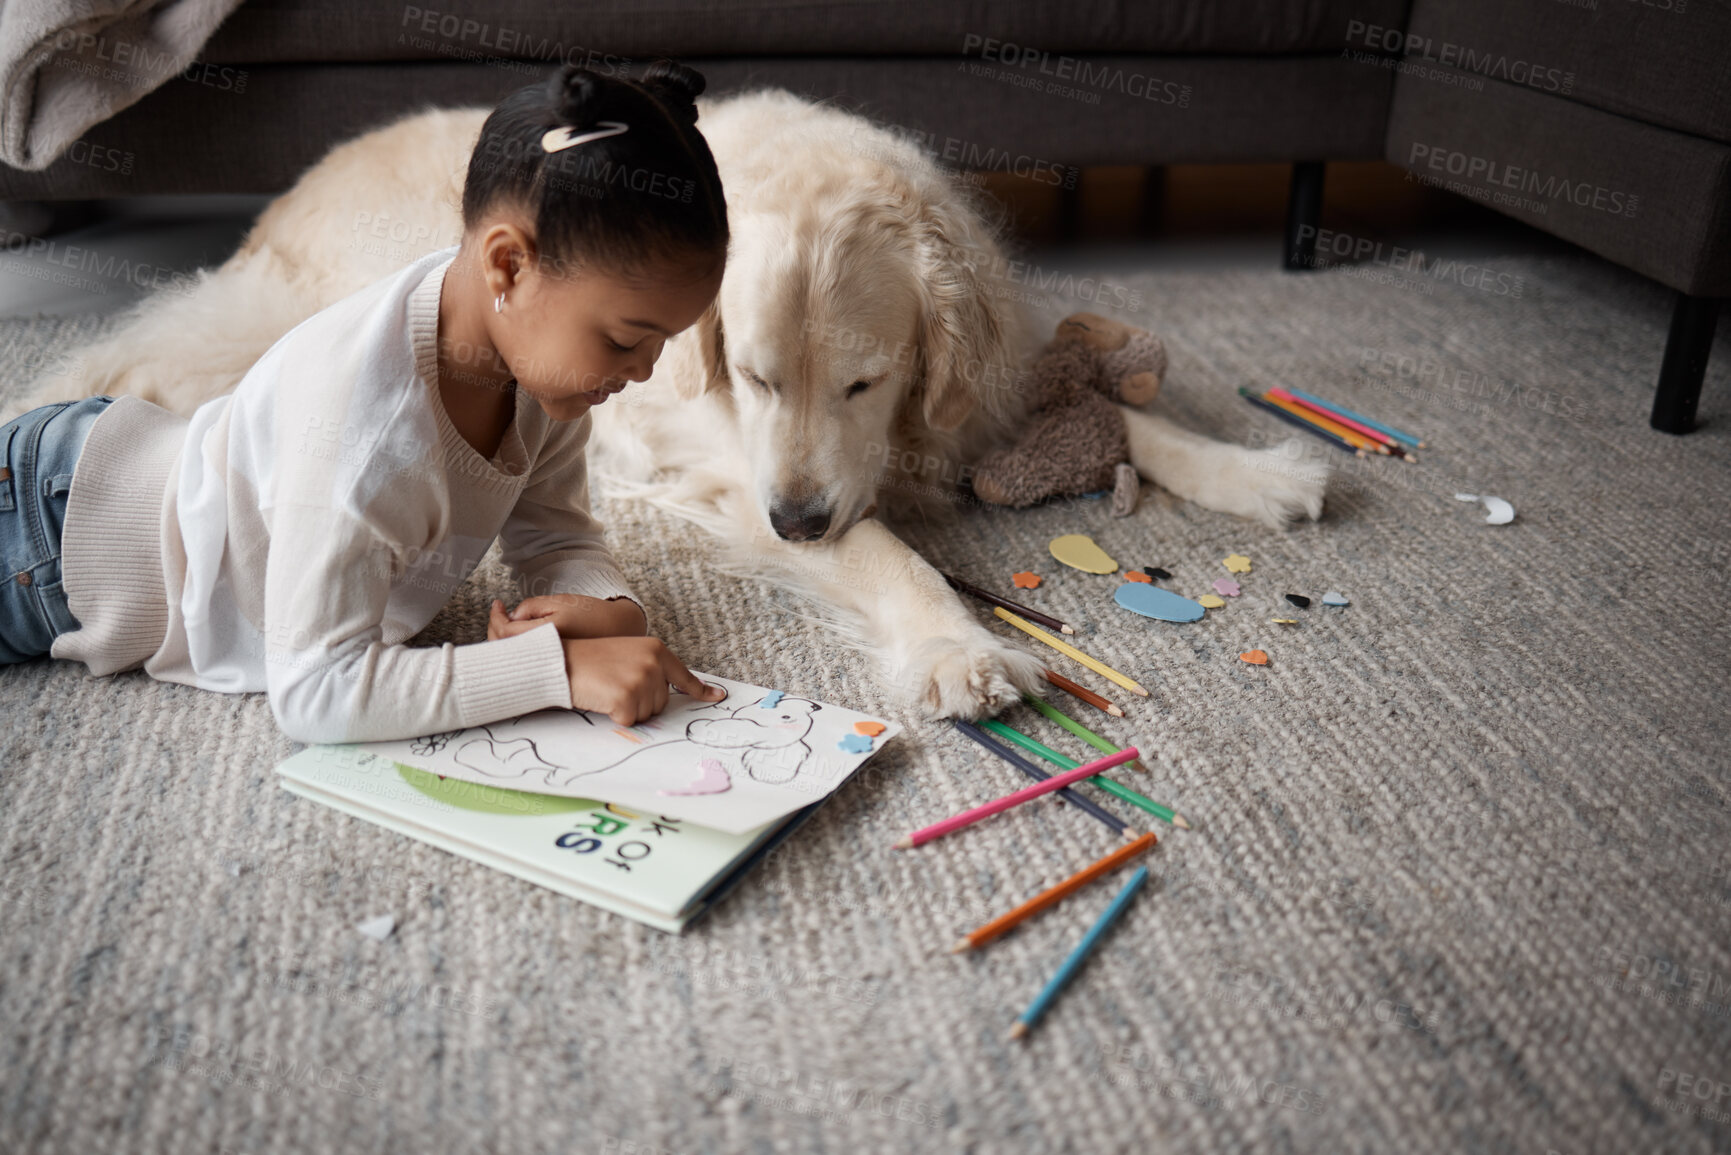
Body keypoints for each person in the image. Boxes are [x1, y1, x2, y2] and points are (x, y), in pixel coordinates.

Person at [0, 60, 730, 742]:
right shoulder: (365, 425)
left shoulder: (543, 371)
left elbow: (556, 534)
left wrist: (609, 609)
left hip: (100, 471)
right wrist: (555, 672)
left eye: (662, 339)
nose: (643, 369)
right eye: (626, 337)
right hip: (46, 533)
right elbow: (316, 689)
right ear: (509, 264)